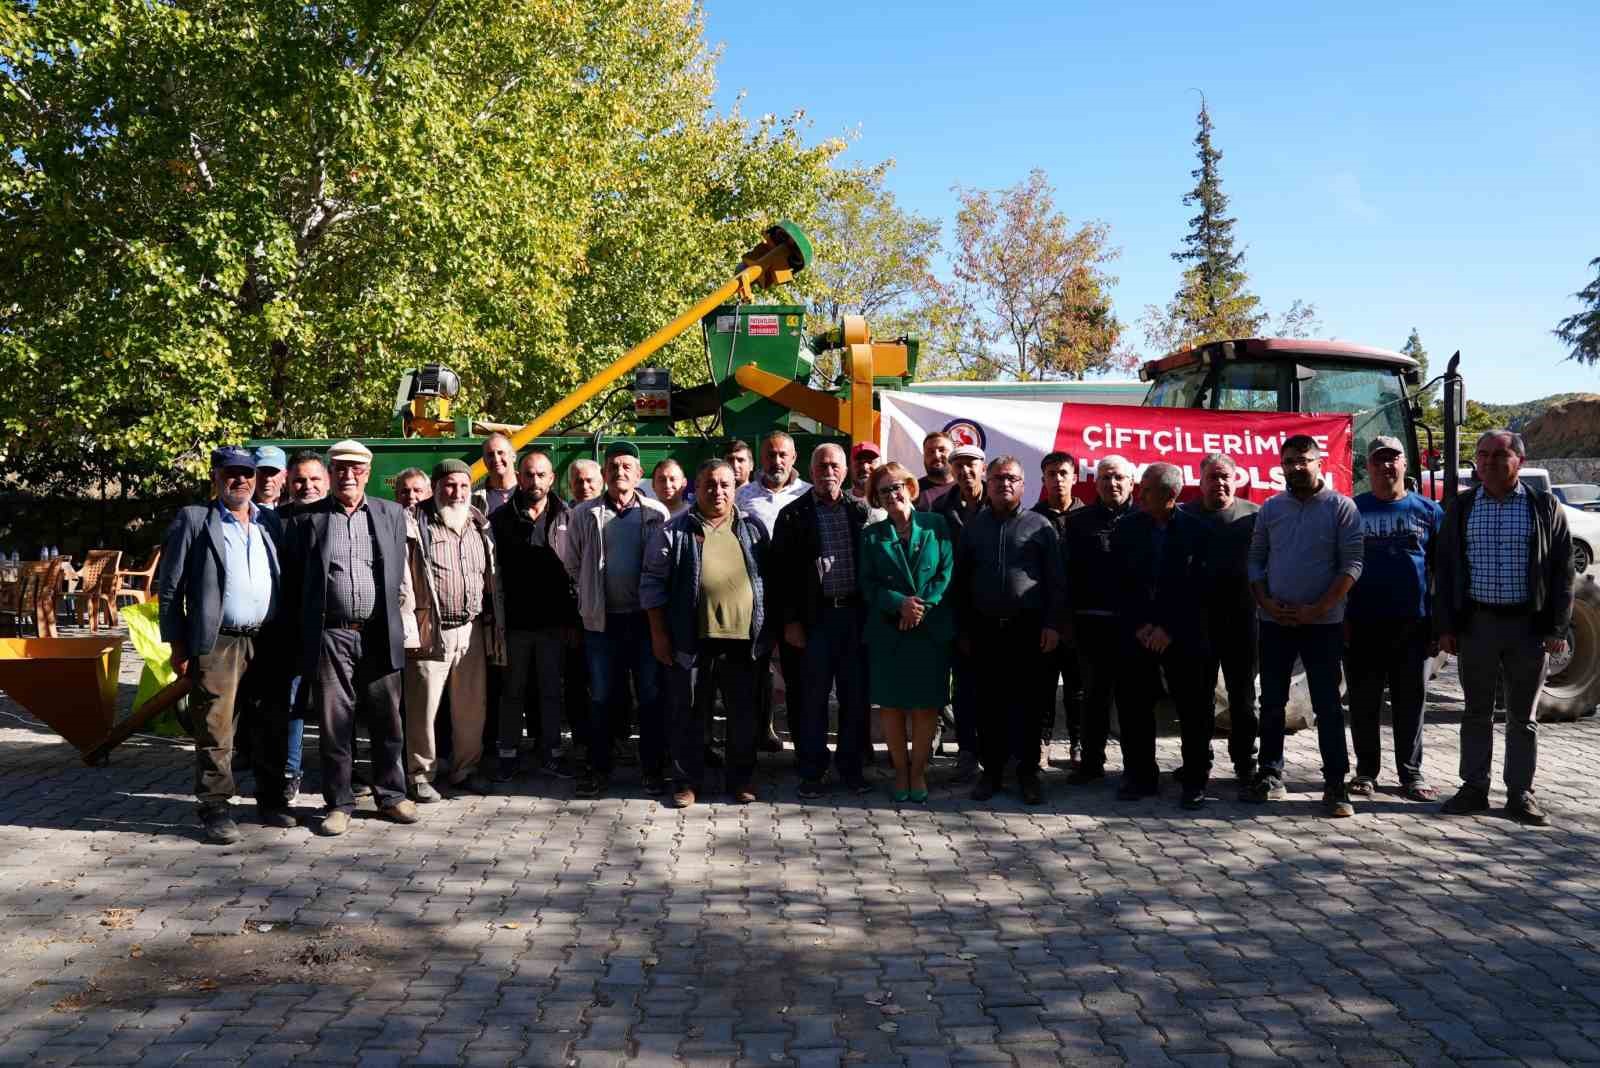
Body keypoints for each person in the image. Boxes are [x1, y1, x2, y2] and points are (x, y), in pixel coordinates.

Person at [278, 439, 419, 836]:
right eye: (340, 468)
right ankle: (338, 802)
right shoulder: (309, 519)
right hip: (331, 634)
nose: (348, 475)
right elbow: (294, 584)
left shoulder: (390, 514)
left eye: (356, 469)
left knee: (387, 718)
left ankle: (392, 795)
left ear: (367, 473)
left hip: (378, 631)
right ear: (332, 473)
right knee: (334, 721)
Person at [1435, 429, 1573, 826]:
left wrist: (1557, 628)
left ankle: (1520, 793)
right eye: (1482, 455)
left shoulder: (1543, 507)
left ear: (1519, 462)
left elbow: (1562, 573)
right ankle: (1474, 788)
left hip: (1527, 629)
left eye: (1499, 454)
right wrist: (1445, 626)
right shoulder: (1460, 508)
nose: (1489, 462)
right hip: (1477, 624)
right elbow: (1444, 572)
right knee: (1476, 712)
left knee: (1522, 718)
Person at [158, 447, 288, 843]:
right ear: (215, 476)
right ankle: (215, 806)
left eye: (248, 474)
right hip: (218, 641)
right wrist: (178, 644)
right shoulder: (196, 520)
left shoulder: (270, 522)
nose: (241, 480)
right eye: (232, 473)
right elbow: (170, 587)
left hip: (266, 639)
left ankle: (270, 800)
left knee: (268, 723)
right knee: (216, 726)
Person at [642, 459, 772, 807]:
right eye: (709, 485)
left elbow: (768, 581)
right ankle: (687, 782)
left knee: (743, 715)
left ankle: (741, 779)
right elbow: (652, 585)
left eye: (725, 484)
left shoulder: (753, 529)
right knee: (688, 713)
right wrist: (659, 634)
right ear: (695, 489)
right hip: (692, 639)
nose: (718, 491)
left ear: (735, 488)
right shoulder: (674, 530)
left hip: (744, 641)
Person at [1247, 435, 1365, 817]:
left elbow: (1352, 565)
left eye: (1303, 460)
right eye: (1289, 461)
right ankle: (1269, 774)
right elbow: (1255, 561)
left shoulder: (1341, 508)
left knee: (1328, 705)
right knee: (1272, 703)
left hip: (1323, 624)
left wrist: (1319, 608)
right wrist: (1265, 602)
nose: (1296, 467)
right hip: (1276, 621)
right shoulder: (1271, 510)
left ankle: (1335, 783)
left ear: (1320, 462)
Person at [953, 456, 1065, 805]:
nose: (1005, 484)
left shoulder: (1040, 525)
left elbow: (1056, 581)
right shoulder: (974, 526)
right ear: (987, 483)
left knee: (1030, 706)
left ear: (1023, 484)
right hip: (985, 630)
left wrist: (1052, 624)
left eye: (1012, 479)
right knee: (988, 706)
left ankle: (1028, 773)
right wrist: (964, 629)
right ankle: (993, 773)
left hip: (1028, 631)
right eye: (998, 478)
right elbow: (961, 582)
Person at [562, 441, 671, 798]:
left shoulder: (656, 514)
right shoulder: (584, 514)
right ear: (604, 472)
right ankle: (598, 770)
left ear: (640, 474)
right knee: (602, 698)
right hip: (602, 624)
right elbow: (573, 563)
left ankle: (653, 771)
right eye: (613, 466)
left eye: (627, 466)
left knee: (651, 697)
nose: (619, 471)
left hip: (644, 623)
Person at [1343, 437, 1444, 803]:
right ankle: (1366, 772)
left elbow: (1442, 573)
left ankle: (1411, 775)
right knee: (1364, 703)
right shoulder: (1352, 511)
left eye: (1394, 459)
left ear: (1405, 465)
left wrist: (1440, 624)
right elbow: (1339, 568)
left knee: (1410, 702)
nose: (1387, 466)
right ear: (1368, 468)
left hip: (1413, 627)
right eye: (1379, 460)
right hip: (1362, 625)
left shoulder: (1430, 512)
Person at [402, 460, 507, 802]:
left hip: (472, 629)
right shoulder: (417, 524)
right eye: (449, 485)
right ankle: (420, 775)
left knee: (471, 706)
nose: (457, 493)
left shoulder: (478, 523)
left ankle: (465, 770)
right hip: (432, 629)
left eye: (463, 486)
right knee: (423, 708)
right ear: (435, 487)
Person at [1111, 463, 1213, 808]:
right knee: (1133, 706)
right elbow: (1118, 583)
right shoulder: (1126, 529)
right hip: (1136, 633)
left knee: (1194, 708)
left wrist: (1169, 628)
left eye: (1148, 489)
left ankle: (1195, 780)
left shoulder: (1198, 532)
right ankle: (1140, 775)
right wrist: (1141, 625)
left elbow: (1200, 590)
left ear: (1171, 495)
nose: (1140, 494)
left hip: (1182, 635)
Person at [771, 443, 870, 797]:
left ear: (844, 471)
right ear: (811, 471)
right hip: (813, 621)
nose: (828, 472)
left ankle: (851, 769)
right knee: (810, 699)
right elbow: (779, 576)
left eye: (834, 466)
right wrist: (790, 622)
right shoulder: (792, 515)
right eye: (822, 466)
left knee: (854, 698)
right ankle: (812, 770)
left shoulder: (861, 512)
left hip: (854, 619)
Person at [858, 462, 953, 802]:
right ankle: (900, 773)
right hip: (889, 632)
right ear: (877, 499)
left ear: (911, 487)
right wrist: (898, 603)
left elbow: (945, 573)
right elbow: (866, 585)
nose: (892, 494)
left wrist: (919, 608)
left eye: (897, 486)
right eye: (884, 490)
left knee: (926, 706)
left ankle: (918, 772)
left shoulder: (936, 525)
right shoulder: (871, 536)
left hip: (928, 631)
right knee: (893, 707)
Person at [489, 450, 577, 781]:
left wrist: (571, 620)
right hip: (514, 624)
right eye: (528, 474)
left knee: (551, 690)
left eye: (541, 475)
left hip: (554, 623)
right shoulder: (499, 520)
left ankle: (552, 753)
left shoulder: (566, 516)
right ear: (519, 476)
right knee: (512, 691)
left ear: (552, 478)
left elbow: (575, 574)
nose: (534, 481)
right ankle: (508, 754)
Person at [1179, 452, 1261, 798]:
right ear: (1201, 482)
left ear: (1237, 478)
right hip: (1198, 624)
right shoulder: (1184, 516)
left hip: (1243, 622)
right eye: (1212, 477)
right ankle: (1196, 770)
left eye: (1225, 476)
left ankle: (1246, 765)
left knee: (1243, 699)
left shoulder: (1255, 516)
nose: (1220, 483)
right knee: (1197, 702)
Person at [736, 431, 811, 752]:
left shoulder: (808, 494)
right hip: (754, 598)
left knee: (799, 677)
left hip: (797, 601)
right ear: (760, 458)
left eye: (783, 454)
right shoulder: (741, 496)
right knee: (755, 672)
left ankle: (803, 745)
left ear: (794, 458)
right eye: (770, 454)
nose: (776, 461)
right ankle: (756, 739)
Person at [1063, 455, 1135, 785]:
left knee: (1133, 700)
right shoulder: (1077, 522)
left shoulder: (1144, 518)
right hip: (1091, 626)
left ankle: (1137, 768)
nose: (1112, 483)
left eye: (1119, 477)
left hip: (1135, 628)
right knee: (1093, 698)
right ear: (1096, 483)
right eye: (1105, 478)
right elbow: (1067, 575)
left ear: (1132, 482)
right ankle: (1092, 764)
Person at [934, 442, 989, 781]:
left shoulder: (998, 504)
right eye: (960, 466)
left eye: (973, 465)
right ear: (952, 471)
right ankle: (967, 749)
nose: (966, 471)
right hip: (955, 611)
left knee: (996, 685)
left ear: (983, 468)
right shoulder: (941, 508)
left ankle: (997, 749)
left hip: (995, 609)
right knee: (963, 687)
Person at [1031, 450, 1084, 769]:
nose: (1057, 479)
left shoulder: (1087, 518)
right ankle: (1042, 743)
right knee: (1042, 688)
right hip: (1043, 622)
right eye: (1051, 474)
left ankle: (1079, 743)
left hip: (1080, 622)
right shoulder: (1032, 519)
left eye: (1063, 473)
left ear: (1075, 477)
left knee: (1077, 690)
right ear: (1043, 479)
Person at [473, 433, 517, 516]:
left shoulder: (529, 489)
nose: (496, 459)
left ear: (513, 456)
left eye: (500, 453)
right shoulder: (474, 498)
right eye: (490, 455)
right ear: (484, 461)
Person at [916, 431, 957, 512]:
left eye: (942, 450)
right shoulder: (913, 491)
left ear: (954, 453)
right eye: (930, 452)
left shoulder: (966, 486)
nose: (936, 455)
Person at [280, 451, 328, 518]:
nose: (308, 486)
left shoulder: (342, 517)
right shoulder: (274, 520)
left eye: (315, 479)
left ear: (328, 482)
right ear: (287, 483)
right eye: (300, 480)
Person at [848, 442, 884, 507]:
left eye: (870, 461)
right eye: (859, 462)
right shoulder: (839, 501)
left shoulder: (891, 500)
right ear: (850, 468)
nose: (865, 467)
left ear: (881, 465)